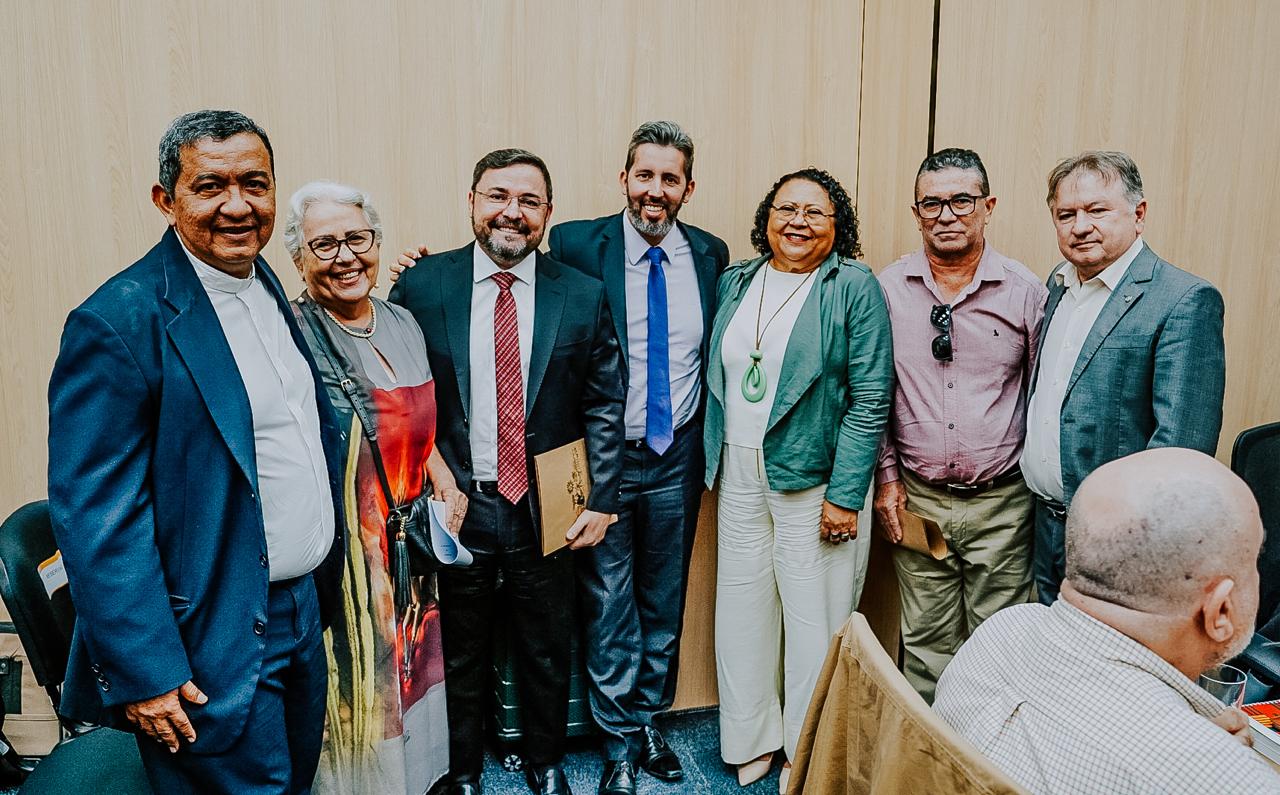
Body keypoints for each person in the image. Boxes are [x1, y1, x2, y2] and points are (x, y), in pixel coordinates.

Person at [47, 110, 345, 793]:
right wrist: (147, 672)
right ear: (165, 199)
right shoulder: (120, 320)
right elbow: (97, 519)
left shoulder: (261, 278)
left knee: (294, 782)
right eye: (210, 186)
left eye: (254, 183)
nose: (237, 206)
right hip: (210, 631)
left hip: (297, 612)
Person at [389, 148, 625, 795]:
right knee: (459, 650)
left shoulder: (581, 294)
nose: (511, 211)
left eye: (528, 200)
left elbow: (605, 402)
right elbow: (396, 390)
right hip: (457, 502)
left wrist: (601, 498)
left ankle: (547, 765)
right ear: (471, 200)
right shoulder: (421, 286)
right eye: (498, 195)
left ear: (548, 213)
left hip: (545, 505)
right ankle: (461, 771)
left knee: (547, 645)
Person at [544, 121, 729, 795]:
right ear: (624, 178)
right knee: (608, 596)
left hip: (675, 449)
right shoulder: (574, 244)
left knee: (664, 591)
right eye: (644, 175)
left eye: (670, 178)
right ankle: (618, 737)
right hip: (602, 458)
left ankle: (648, 715)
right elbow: (505, 267)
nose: (655, 190)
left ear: (688, 187)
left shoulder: (710, 254)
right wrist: (417, 272)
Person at [934, 448, 1280, 793]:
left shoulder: (1000, 632)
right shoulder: (1226, 778)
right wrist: (1216, 769)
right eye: (1253, 559)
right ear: (1219, 610)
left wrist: (1204, 753)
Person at [704, 168, 894, 789]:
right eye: (787, 208)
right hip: (737, 469)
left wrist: (846, 494)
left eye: (817, 212)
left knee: (814, 617)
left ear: (838, 226)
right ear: (766, 218)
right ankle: (751, 737)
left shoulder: (853, 287)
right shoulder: (737, 280)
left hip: (815, 477)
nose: (799, 222)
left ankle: (807, 749)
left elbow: (870, 398)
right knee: (741, 607)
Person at [282, 181, 470, 794]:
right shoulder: (293, 335)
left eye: (356, 239)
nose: (345, 256)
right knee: (361, 674)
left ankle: (418, 778)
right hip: (347, 551)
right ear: (299, 258)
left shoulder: (402, 321)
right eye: (324, 244)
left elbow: (418, 423)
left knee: (414, 664)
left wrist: (444, 482)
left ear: (376, 242)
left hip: (409, 536)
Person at [873, 149, 1046, 702]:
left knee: (1001, 647)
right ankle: (928, 766)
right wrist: (887, 480)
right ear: (916, 212)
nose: (946, 214)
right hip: (917, 501)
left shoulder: (1025, 292)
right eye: (932, 203)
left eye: (961, 201)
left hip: (1004, 505)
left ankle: (988, 771)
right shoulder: (887, 289)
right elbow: (870, 394)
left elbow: (1046, 396)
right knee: (926, 643)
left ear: (987, 206)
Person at [1021, 150, 1226, 604]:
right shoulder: (1059, 290)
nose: (1080, 225)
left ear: (1139, 214)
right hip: (1048, 527)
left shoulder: (1184, 299)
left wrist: (1131, 542)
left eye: (1097, 210)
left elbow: (1181, 448)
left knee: (1105, 666)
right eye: (1066, 214)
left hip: (1120, 541)